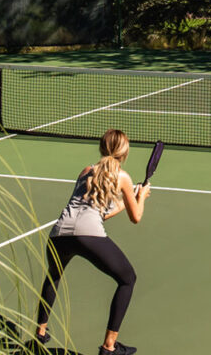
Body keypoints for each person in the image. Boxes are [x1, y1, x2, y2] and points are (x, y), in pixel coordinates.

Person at [33, 129, 150, 355]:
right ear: (125, 153)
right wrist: (141, 197)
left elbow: (97, 212)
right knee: (128, 279)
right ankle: (109, 347)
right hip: (88, 235)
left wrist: (126, 201)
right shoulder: (123, 177)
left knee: (53, 276)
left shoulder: (86, 171)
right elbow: (136, 217)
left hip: (59, 234)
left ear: (102, 148)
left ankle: (39, 334)